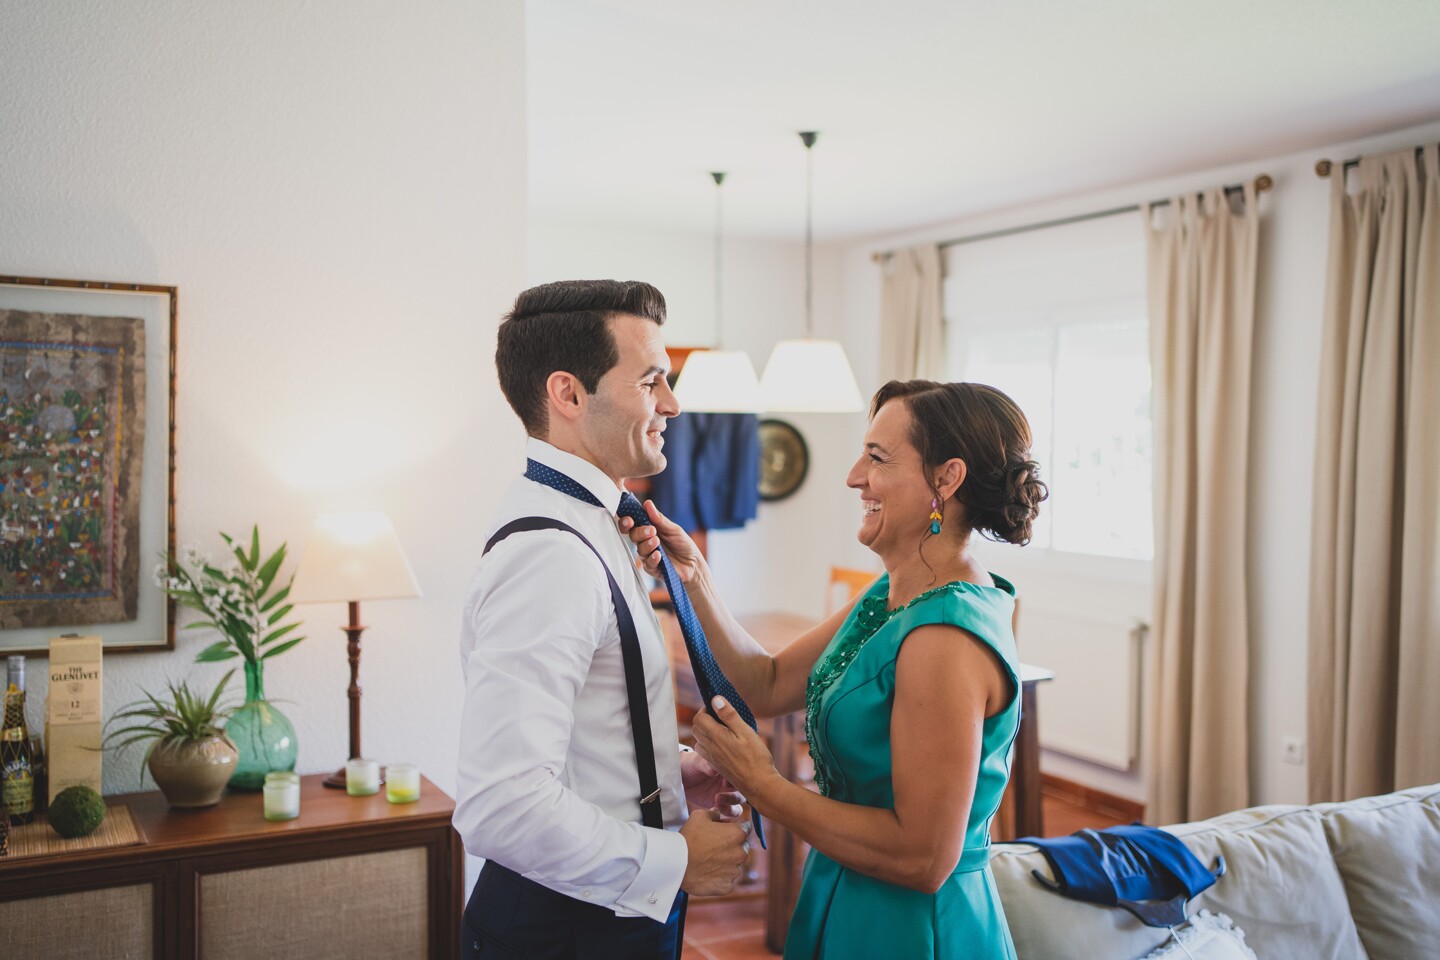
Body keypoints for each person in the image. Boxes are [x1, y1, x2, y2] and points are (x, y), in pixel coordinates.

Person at [624, 379, 1048, 959]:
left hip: (910, 929)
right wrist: (695, 575)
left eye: (877, 458)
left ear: (946, 480)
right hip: (844, 887)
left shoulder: (945, 634)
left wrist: (765, 785)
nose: (854, 476)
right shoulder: (894, 592)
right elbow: (767, 683)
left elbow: (923, 858)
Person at [454, 279, 751, 960]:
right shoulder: (551, 555)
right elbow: (502, 804)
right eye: (652, 382)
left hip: (600, 909)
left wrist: (667, 774)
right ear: (567, 394)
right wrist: (674, 861)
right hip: (563, 929)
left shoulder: (597, 523)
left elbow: (581, 724)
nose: (673, 405)